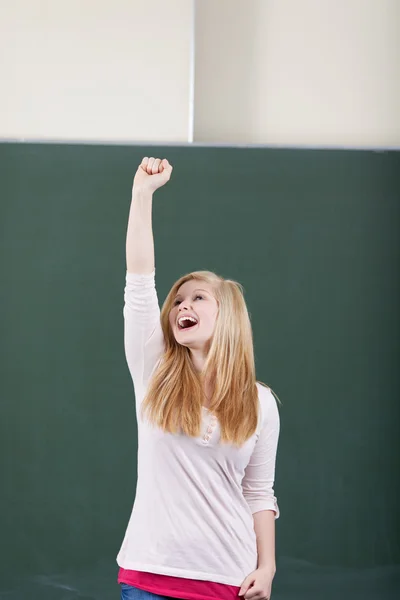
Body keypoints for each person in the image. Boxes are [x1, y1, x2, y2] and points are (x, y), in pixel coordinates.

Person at [117, 157, 281, 600]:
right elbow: (139, 279)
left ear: (227, 316)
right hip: (148, 577)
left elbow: (259, 493)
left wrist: (266, 569)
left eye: (197, 298)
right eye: (177, 302)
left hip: (230, 581)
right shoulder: (154, 373)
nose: (182, 306)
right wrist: (141, 195)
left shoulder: (260, 402)